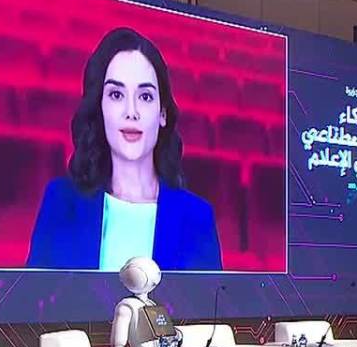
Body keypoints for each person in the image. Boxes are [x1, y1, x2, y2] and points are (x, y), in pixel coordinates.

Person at [26, 27, 223, 271]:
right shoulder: (60, 202)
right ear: (100, 107)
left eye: (145, 97)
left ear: (162, 113)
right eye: (117, 94)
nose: (132, 112)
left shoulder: (197, 218)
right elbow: (33, 295)